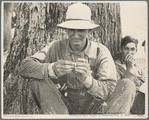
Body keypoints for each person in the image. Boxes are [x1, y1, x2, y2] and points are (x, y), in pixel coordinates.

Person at [18, 3, 136, 114]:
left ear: (89, 31)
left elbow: (111, 89)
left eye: (81, 30)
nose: (75, 35)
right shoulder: (55, 47)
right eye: (71, 29)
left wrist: (89, 81)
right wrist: (51, 69)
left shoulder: (101, 51)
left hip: (95, 107)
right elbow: (25, 66)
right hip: (62, 106)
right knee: (38, 80)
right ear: (66, 30)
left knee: (128, 85)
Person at [115, 36, 145, 114]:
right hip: (127, 102)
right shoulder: (115, 66)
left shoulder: (138, 66)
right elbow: (123, 88)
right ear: (121, 49)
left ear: (136, 51)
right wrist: (129, 68)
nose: (129, 52)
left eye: (132, 49)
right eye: (126, 49)